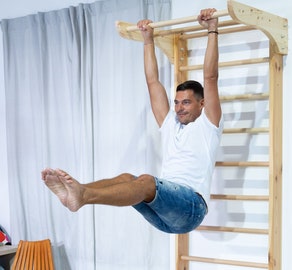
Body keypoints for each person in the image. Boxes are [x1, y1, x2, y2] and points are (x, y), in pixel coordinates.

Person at [41, 8, 223, 234]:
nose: (178, 108)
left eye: (185, 103)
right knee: (128, 178)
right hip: (165, 214)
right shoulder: (170, 126)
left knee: (146, 181)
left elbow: (210, 77)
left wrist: (212, 30)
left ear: (202, 103)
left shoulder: (209, 125)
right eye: (176, 102)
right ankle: (77, 191)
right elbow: (152, 82)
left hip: (191, 208)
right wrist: (148, 40)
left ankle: (84, 196)